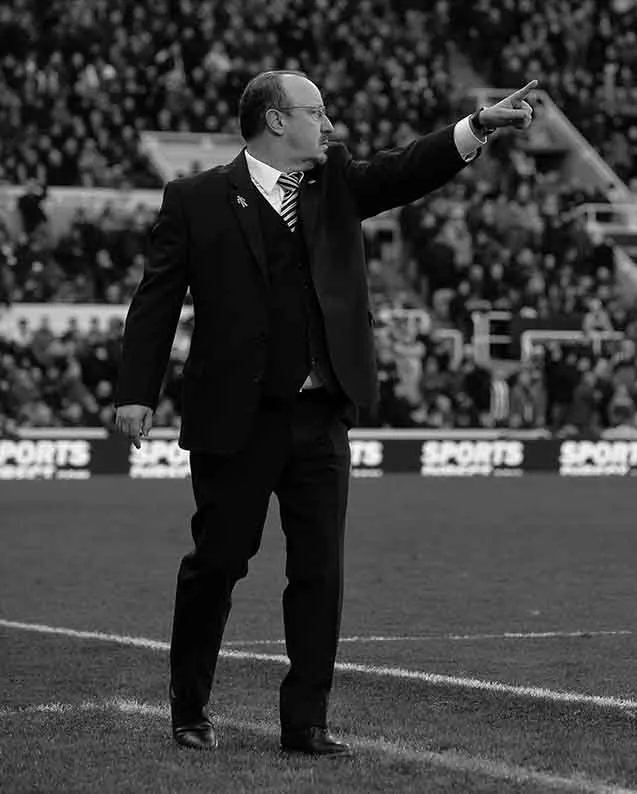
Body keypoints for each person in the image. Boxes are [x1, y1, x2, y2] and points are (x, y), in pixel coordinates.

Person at [113, 70, 537, 756]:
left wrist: (478, 126)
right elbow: (157, 297)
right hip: (236, 419)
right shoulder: (194, 199)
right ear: (277, 121)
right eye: (317, 111)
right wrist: (137, 389)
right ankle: (189, 705)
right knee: (217, 565)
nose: (330, 124)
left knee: (320, 571)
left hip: (321, 414)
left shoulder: (334, 181)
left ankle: (305, 721)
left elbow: (403, 171)